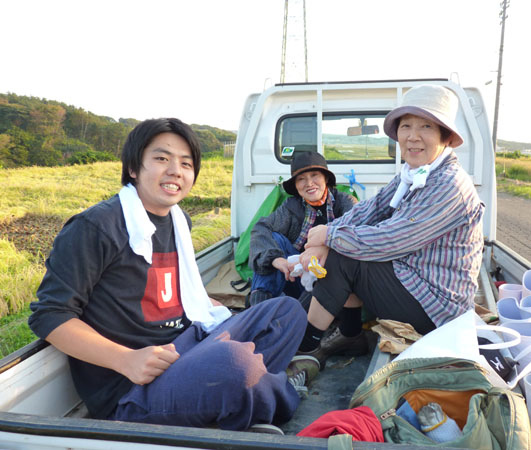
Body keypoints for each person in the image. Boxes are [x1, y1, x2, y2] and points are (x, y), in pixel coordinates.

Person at [28, 118, 319, 433]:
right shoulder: (96, 227)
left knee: (286, 312)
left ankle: (249, 391)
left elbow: (179, 289)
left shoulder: (179, 221)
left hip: (190, 342)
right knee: (236, 364)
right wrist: (126, 359)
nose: (175, 171)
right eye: (162, 158)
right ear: (133, 168)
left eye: (186, 163)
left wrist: (224, 315)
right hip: (135, 386)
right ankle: (274, 391)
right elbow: (49, 315)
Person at [296, 85, 485, 366]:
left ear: (445, 137)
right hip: (412, 278)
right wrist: (323, 240)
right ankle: (345, 335)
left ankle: (304, 348)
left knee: (343, 257)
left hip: (437, 305)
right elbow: (371, 209)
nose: (412, 136)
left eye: (426, 127)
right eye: (406, 125)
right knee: (341, 251)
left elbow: (393, 240)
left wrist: (329, 235)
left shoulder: (448, 184)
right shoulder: (414, 175)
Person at [248, 151, 357, 307]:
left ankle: (302, 316)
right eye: (301, 179)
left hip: (330, 277)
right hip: (297, 274)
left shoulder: (345, 203)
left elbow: (354, 234)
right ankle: (258, 307)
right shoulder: (292, 206)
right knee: (274, 239)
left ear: (325, 178)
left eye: (314, 175)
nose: (309, 183)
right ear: (296, 186)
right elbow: (261, 228)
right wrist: (276, 260)